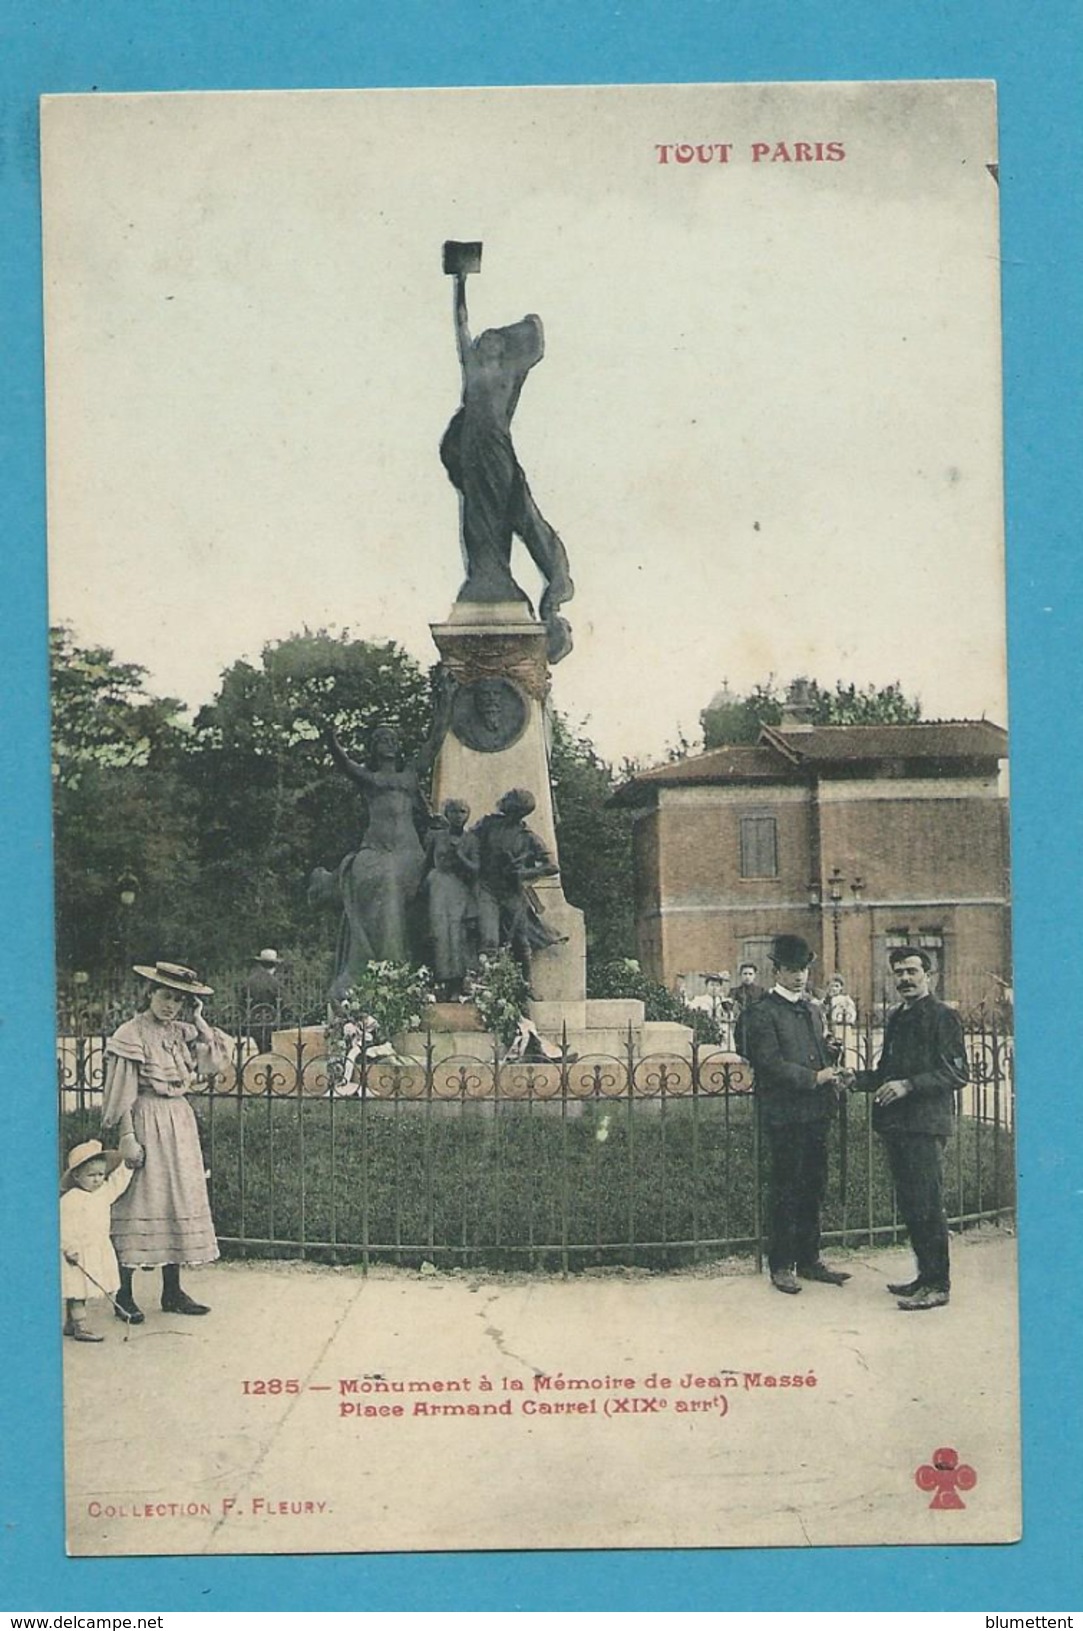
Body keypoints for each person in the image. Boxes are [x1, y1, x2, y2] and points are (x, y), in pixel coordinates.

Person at [440, 265, 574, 663]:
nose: (486, 343)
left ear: (502, 349)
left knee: (506, 512)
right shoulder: (473, 367)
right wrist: (460, 285)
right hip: (471, 448)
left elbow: (535, 344)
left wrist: (527, 331)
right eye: (485, 340)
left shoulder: (509, 373)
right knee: (476, 519)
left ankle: (554, 578)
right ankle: (488, 575)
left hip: (497, 448)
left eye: (494, 341)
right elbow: (460, 326)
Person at [102, 962, 232, 1322]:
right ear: (149, 994)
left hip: (179, 1121)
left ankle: (172, 1291)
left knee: (177, 1198)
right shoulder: (131, 1033)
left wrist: (201, 1019)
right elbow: (122, 1091)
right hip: (146, 1118)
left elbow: (218, 1056)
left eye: (178, 1000)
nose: (170, 1005)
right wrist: (127, 1136)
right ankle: (123, 1294)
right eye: (165, 996)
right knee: (140, 1200)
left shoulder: (181, 1033)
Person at [850, 947, 969, 1310]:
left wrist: (909, 1085)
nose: (904, 979)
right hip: (899, 1125)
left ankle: (938, 1285)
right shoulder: (899, 1017)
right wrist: (856, 1079)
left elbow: (957, 1073)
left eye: (912, 972)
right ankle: (924, 1277)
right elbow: (889, 1073)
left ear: (928, 975)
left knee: (928, 1205)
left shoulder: (943, 1017)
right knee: (913, 1204)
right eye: (898, 972)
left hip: (925, 1125)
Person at [741, 934, 849, 1295]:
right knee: (786, 1187)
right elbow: (769, 1063)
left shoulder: (813, 1009)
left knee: (813, 1186)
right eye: (791, 969)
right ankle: (782, 1264)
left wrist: (828, 1050)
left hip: (816, 1112)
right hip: (784, 1113)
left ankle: (810, 1259)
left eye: (803, 969)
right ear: (777, 971)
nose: (799, 976)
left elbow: (813, 1050)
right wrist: (813, 1077)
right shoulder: (761, 1012)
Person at [323, 708, 449, 996]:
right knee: (380, 883)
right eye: (381, 740)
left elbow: (435, 740)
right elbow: (344, 763)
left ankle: (405, 968)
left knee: (405, 887)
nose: (387, 744)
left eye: (392, 739)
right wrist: (331, 737)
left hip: (408, 851)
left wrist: (448, 699)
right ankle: (384, 966)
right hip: (377, 849)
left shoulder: (410, 775)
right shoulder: (370, 778)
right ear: (373, 748)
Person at [472, 789, 562, 990]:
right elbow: (468, 842)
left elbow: (552, 866)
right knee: (489, 938)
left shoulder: (528, 836)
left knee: (521, 941)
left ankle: (526, 986)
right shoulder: (488, 825)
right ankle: (486, 986)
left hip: (512, 892)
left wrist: (523, 873)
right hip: (487, 889)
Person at [60, 1140, 136, 1342]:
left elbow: (117, 1184)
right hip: (77, 1250)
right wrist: (69, 1247)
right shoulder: (70, 1199)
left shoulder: (103, 1193)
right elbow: (64, 1227)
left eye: (100, 1175)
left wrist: (127, 1166)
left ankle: (71, 1324)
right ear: (76, 1176)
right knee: (76, 1290)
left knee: (81, 1289)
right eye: (91, 1175)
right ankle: (81, 1326)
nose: (97, 1180)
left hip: (97, 1247)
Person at [421, 798, 480, 999]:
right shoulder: (437, 838)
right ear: (447, 814)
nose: (458, 816)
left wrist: (461, 857)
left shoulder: (471, 839)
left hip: (459, 888)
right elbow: (427, 863)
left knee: (457, 935)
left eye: (463, 812)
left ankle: (458, 983)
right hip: (438, 886)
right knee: (439, 934)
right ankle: (440, 981)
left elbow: (476, 868)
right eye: (454, 812)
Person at [243, 948, 283, 1055]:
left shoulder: (248, 982)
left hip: (253, 1024)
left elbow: (241, 1004)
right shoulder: (276, 984)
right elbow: (285, 1005)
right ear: (274, 966)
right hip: (272, 1024)